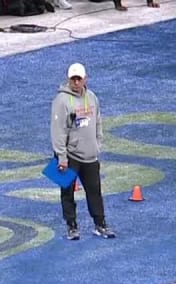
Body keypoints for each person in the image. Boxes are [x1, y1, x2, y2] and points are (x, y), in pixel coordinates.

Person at [50, 63, 115, 240]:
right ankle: (71, 226)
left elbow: (98, 121)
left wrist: (97, 144)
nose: (76, 82)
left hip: (90, 155)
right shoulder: (61, 101)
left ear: (85, 79)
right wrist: (61, 156)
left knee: (95, 191)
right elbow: (57, 130)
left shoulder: (92, 97)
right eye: (73, 79)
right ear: (69, 79)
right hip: (69, 156)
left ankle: (100, 224)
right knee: (67, 192)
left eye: (79, 79)